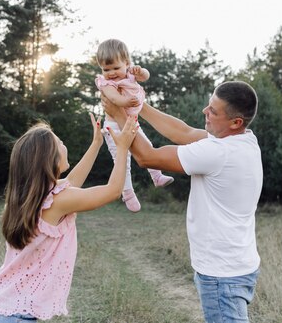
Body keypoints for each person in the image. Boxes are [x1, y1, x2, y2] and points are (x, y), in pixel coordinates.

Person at [102, 81, 263, 323]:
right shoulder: (244, 140)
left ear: (235, 122)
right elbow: (184, 133)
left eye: (213, 111)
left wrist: (118, 114)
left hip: (221, 273)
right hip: (237, 265)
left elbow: (148, 157)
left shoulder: (218, 153)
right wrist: (137, 105)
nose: (204, 112)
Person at [0, 114, 138, 322]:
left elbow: (71, 182)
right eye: (60, 143)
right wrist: (122, 148)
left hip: (1, 308)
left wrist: (96, 144)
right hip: (16, 316)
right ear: (50, 159)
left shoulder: (28, 198)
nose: (64, 145)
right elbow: (112, 191)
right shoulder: (56, 201)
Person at [95, 38, 174, 213]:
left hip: (132, 123)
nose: (111, 73)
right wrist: (126, 100)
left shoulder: (131, 73)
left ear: (127, 63)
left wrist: (142, 71)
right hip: (114, 128)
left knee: (148, 147)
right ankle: (128, 194)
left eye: (116, 67)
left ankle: (157, 176)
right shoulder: (106, 83)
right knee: (123, 161)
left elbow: (145, 76)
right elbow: (114, 99)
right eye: (106, 69)